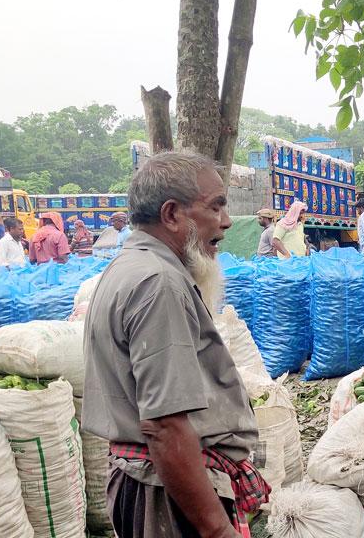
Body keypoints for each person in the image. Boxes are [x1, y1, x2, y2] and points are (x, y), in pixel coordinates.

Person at [82, 151, 266, 538]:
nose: (227, 222)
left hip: (160, 484)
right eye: (216, 207)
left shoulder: (131, 267)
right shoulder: (158, 283)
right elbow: (165, 426)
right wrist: (217, 529)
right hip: (167, 492)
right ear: (171, 214)